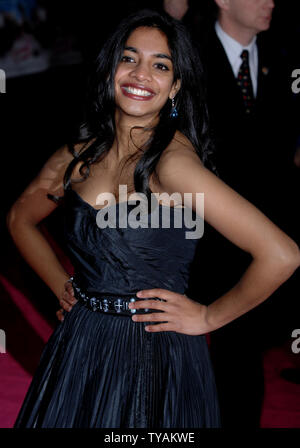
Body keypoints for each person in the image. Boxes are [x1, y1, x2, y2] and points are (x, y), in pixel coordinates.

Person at [7, 9, 300, 429]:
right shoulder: (80, 155)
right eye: (129, 59)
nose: (141, 74)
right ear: (111, 67)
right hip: (81, 343)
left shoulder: (172, 164)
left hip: (152, 357)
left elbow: (281, 254)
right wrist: (63, 287)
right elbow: (20, 216)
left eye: (160, 65)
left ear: (176, 86)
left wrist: (208, 317)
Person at [175, 0, 299, 427]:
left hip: (266, 237)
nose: (270, 1)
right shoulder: (184, 56)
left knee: (242, 356)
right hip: (199, 237)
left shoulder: (285, 59)